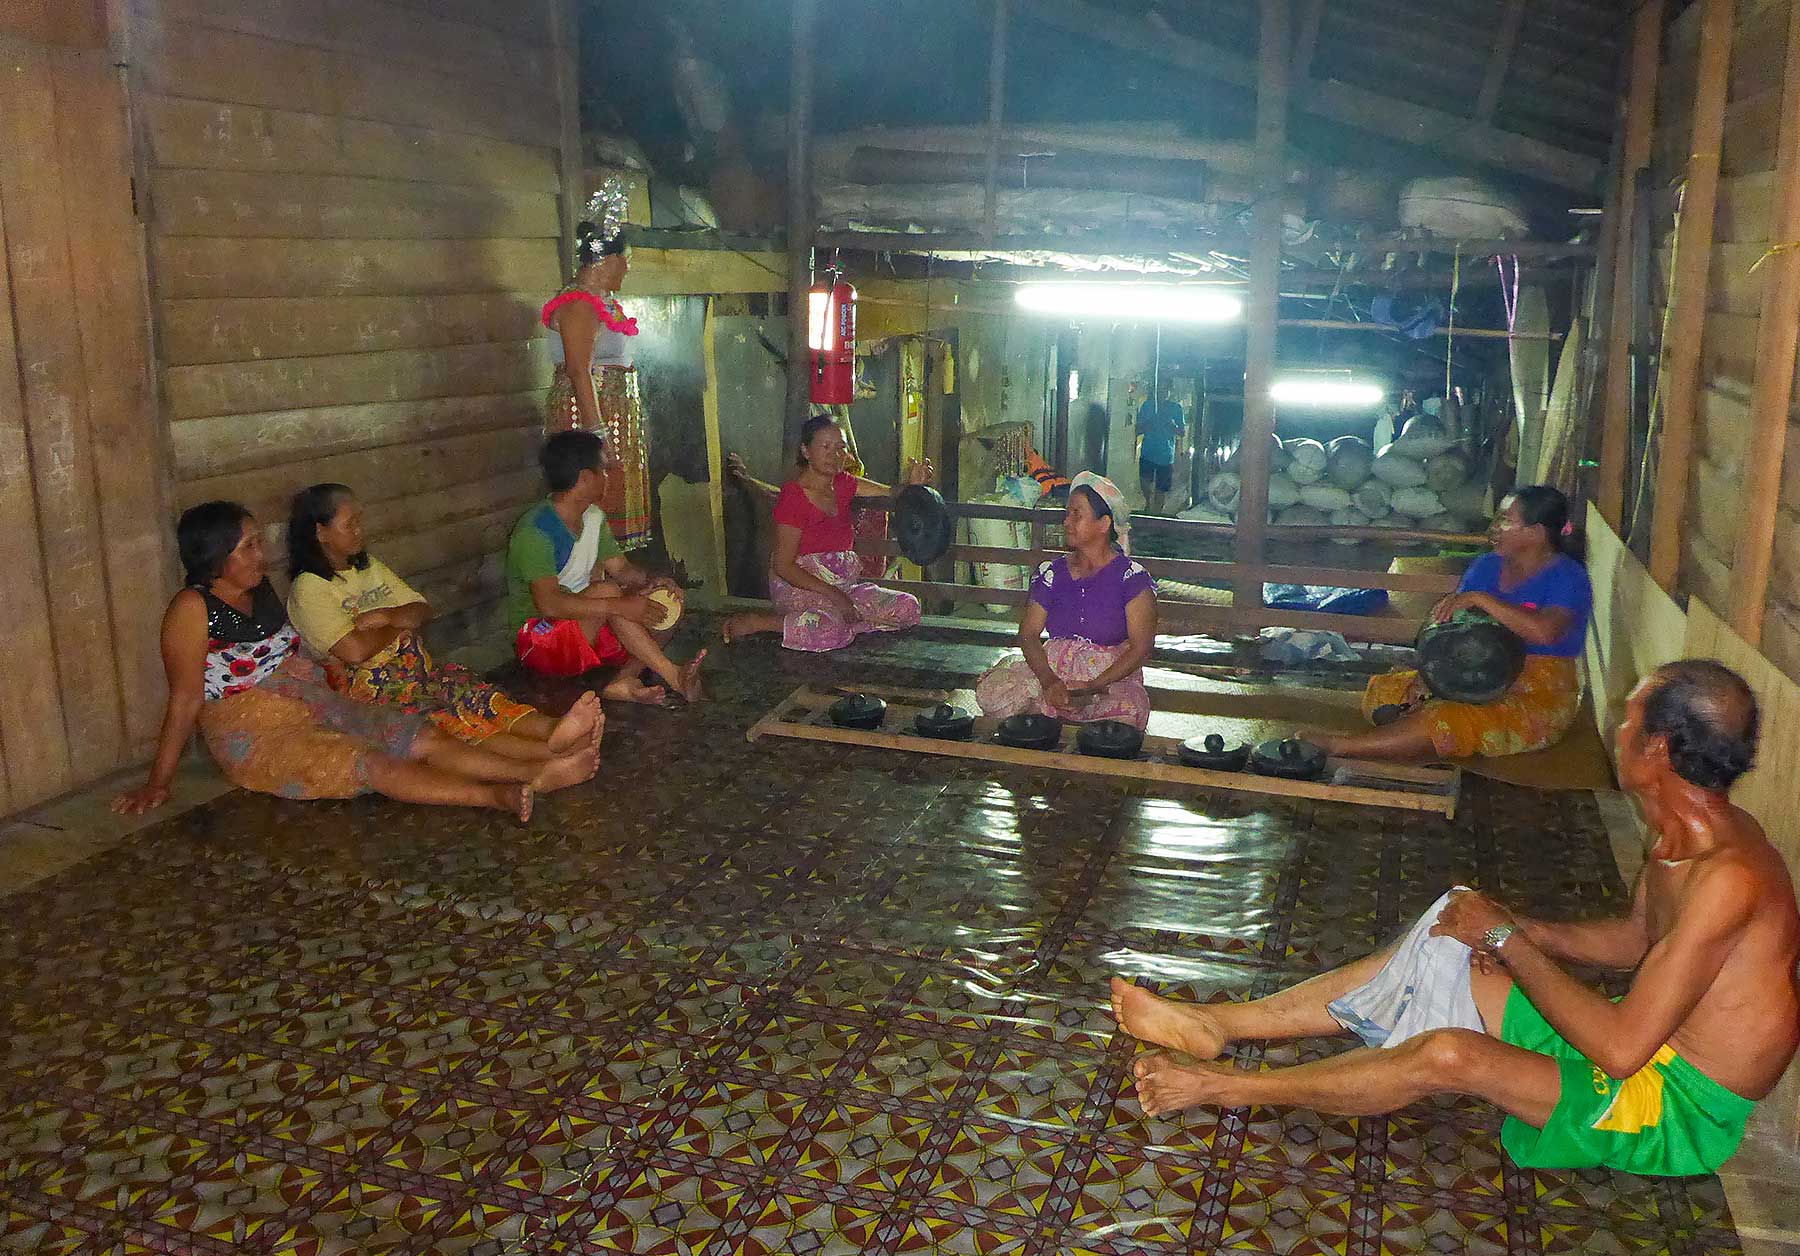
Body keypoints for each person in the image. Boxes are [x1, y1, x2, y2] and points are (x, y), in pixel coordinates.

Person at [1111, 660, 1799, 1178]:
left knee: (1449, 1053)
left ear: (1656, 750)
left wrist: (1504, 939)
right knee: (1448, 929)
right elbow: (1630, 943)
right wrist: (1506, 930)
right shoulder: (1685, 837)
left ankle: (1228, 1090)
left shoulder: (1728, 879)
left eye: (1630, 715)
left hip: (1672, 1105)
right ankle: (1217, 1025)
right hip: (1640, 1045)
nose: (1616, 724)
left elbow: (1621, 1050)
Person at [112, 503, 601, 822]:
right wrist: (159, 782)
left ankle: (542, 765)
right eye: (249, 546)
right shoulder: (191, 609)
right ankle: (498, 793)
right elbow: (184, 699)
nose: (261, 554)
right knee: (369, 763)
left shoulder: (258, 591)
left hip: (311, 700)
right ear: (217, 556)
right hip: (257, 731)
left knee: (415, 733)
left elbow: (293, 649)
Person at [285, 483, 600, 761]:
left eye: (359, 521)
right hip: (376, 696)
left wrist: (388, 616)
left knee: (475, 694)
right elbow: (354, 651)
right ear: (320, 532)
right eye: (349, 524)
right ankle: (550, 753)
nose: (359, 530)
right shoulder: (310, 588)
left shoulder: (367, 567)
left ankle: (556, 729)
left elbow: (422, 609)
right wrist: (399, 622)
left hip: (417, 676)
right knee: (452, 718)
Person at [1315, 485, 1592, 763]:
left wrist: (1481, 599)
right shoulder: (1487, 566)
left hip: (1537, 689)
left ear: (1536, 533)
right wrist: (1428, 677)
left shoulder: (1568, 576)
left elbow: (1545, 632)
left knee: (1446, 719)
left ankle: (1341, 747)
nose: (1493, 528)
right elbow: (1450, 627)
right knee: (1385, 692)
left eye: (1505, 521)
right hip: (1472, 669)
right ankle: (1411, 734)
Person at [506, 430, 704, 702]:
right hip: (540, 639)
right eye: (603, 469)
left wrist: (656, 581)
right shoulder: (535, 531)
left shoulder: (594, 517)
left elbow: (622, 570)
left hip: (589, 620)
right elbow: (549, 605)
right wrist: (618, 604)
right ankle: (673, 675)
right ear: (585, 478)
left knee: (666, 606)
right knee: (607, 592)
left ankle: (623, 681)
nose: (608, 476)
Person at [720, 416, 930, 651]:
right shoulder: (794, 498)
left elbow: (892, 492)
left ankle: (846, 625)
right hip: (799, 589)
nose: (835, 454)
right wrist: (835, 596)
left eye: (841, 447)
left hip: (843, 586)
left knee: (908, 607)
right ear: (806, 451)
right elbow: (783, 566)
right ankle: (761, 622)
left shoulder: (843, 484)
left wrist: (913, 484)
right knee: (831, 628)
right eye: (826, 447)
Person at [975, 472, 1158, 729]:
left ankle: (1047, 712)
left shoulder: (1131, 578)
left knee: (1130, 709)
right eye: (1067, 513)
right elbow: (1028, 634)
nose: (1067, 522)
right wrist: (1049, 681)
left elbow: (1141, 648)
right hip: (1053, 671)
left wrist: (1093, 687)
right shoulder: (1052, 573)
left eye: (1077, 514)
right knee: (991, 693)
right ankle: (1055, 705)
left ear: (1104, 524)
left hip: (1107, 679)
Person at [542, 177, 651, 550]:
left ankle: (608, 582)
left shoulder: (599, 300)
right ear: (605, 260)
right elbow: (577, 369)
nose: (628, 269)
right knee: (590, 505)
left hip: (611, 416)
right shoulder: (578, 304)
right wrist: (597, 435)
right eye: (626, 260)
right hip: (589, 420)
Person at [1136, 381, 1185, 515]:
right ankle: (1148, 504)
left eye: (1165, 389)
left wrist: (1172, 426)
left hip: (1165, 456)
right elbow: (1137, 429)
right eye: (1159, 390)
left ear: (1170, 391)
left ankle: (1156, 513)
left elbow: (1182, 432)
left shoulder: (1176, 408)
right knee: (1145, 483)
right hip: (1147, 452)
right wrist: (1147, 425)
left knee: (1161, 488)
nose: (1162, 393)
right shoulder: (1147, 406)